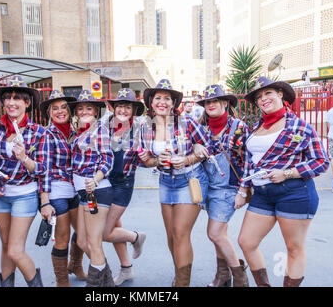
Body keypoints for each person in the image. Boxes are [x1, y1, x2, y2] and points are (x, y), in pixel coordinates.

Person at [237, 77, 329, 287]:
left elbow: (321, 162)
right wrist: (243, 189)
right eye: (259, 97)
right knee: (246, 242)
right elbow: (249, 161)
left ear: (280, 94)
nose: (263, 99)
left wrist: (288, 173)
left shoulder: (300, 127)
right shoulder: (257, 127)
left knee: (294, 248)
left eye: (268, 93)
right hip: (262, 194)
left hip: (294, 193)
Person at [138, 79, 211, 287]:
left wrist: (192, 155)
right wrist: (155, 161)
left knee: (180, 233)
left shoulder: (186, 123)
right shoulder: (145, 128)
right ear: (151, 103)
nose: (162, 102)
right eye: (158, 98)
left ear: (173, 103)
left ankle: (182, 284)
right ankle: (179, 274)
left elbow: (208, 146)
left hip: (190, 179)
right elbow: (144, 162)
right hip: (165, 181)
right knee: (171, 236)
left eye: (167, 98)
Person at [0, 75, 48, 287]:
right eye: (7, 98)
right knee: (6, 246)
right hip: (0, 197)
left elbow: (43, 169)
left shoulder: (38, 132)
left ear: (27, 102)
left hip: (25, 194)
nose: (11, 102)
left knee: (15, 249)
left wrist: (24, 158)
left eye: (17, 98)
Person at [194, 84, 249, 287]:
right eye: (208, 101)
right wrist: (196, 144)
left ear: (225, 103)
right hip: (208, 187)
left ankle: (240, 277)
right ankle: (222, 275)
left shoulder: (239, 127)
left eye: (215, 101)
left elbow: (249, 161)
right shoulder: (201, 128)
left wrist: (243, 190)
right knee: (220, 235)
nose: (211, 104)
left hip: (228, 189)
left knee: (214, 233)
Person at [38, 90, 88, 286]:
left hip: (76, 189)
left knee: (82, 232)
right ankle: (62, 280)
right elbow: (44, 169)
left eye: (64, 107)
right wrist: (45, 201)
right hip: (57, 191)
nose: (60, 111)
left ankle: (75, 265)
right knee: (62, 238)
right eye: (55, 108)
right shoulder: (47, 134)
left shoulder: (77, 133)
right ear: (49, 113)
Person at [68, 89, 115, 287]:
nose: (85, 111)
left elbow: (108, 159)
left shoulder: (100, 130)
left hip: (95, 190)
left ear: (96, 111)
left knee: (94, 243)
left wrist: (95, 180)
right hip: (83, 193)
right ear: (76, 112)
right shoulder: (81, 132)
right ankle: (109, 283)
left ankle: (95, 286)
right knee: (81, 242)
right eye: (81, 108)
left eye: (89, 107)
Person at [104, 88, 147, 286]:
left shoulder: (140, 129)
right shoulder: (104, 126)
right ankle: (126, 269)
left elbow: (147, 158)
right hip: (105, 181)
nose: (122, 109)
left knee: (105, 232)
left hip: (123, 184)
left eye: (127, 106)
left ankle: (136, 237)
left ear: (133, 110)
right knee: (114, 226)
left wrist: (148, 159)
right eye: (119, 105)